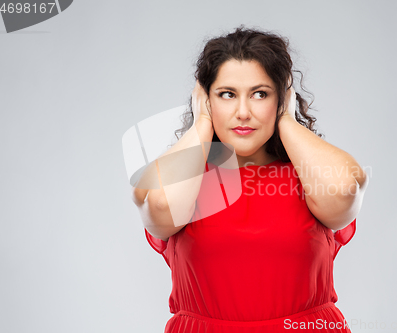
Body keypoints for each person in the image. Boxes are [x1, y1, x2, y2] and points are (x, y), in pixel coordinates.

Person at [131, 25, 369, 333]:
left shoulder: (309, 176)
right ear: (205, 99)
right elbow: (160, 205)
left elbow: (344, 190)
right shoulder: (185, 181)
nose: (243, 112)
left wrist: (286, 119)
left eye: (260, 94)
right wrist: (202, 124)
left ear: (280, 98)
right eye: (227, 94)